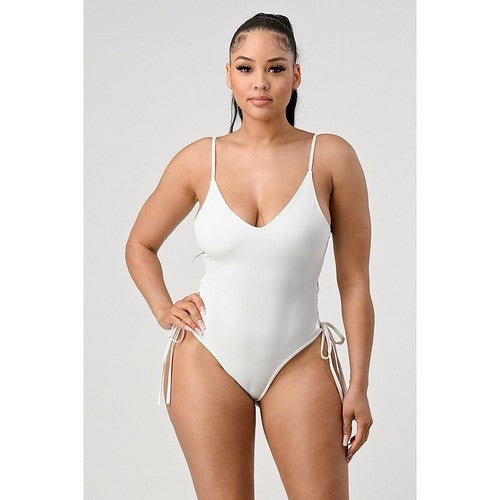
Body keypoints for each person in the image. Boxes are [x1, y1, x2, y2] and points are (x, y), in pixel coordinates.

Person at [125, 12, 374, 499]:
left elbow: (356, 282)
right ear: (229, 75)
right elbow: (140, 244)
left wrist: (359, 385)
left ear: (295, 75)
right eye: (245, 68)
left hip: (299, 358)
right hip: (207, 358)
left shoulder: (331, 158)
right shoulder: (199, 160)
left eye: (275, 68)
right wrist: (162, 307)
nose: (260, 82)